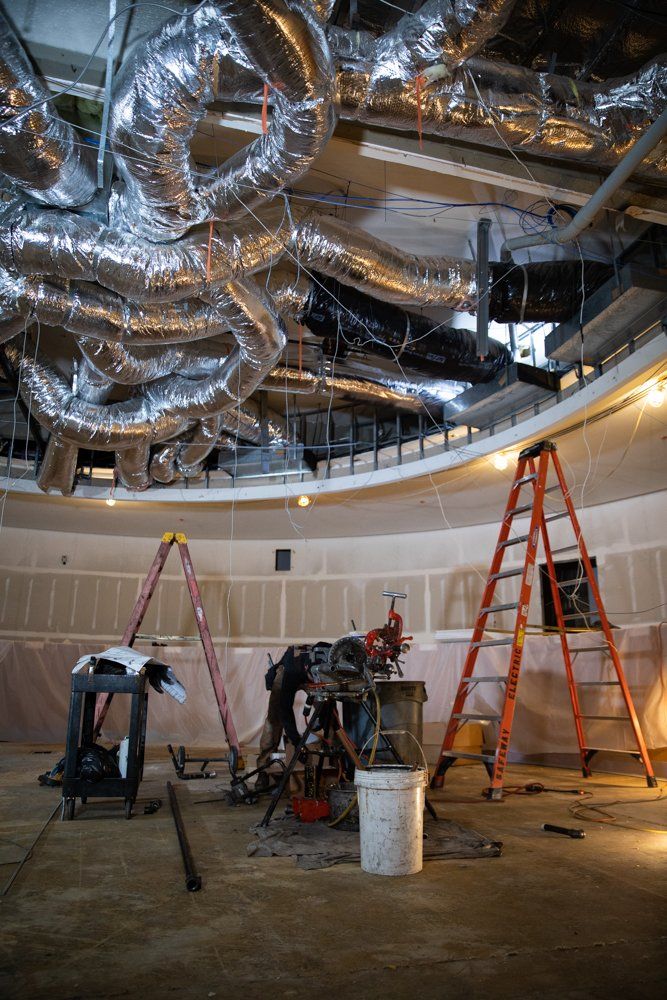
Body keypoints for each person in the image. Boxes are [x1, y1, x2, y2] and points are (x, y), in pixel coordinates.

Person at [255, 642, 331, 790]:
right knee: (274, 718)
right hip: (289, 670)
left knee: (330, 715)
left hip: (318, 670)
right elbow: (285, 710)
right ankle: (263, 769)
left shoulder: (331, 661)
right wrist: (297, 743)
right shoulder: (292, 670)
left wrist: (324, 720)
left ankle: (334, 759)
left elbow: (329, 704)